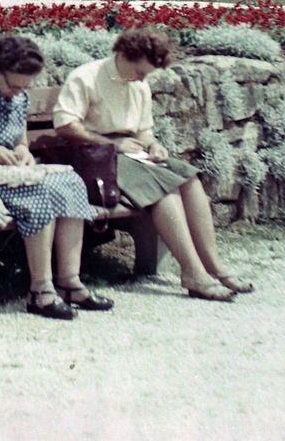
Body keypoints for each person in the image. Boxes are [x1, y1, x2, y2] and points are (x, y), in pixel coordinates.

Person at [53, 28, 254, 301]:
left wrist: (153, 144)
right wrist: (110, 143)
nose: (142, 79)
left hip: (131, 153)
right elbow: (65, 126)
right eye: (140, 72)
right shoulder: (87, 77)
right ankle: (192, 273)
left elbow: (143, 130)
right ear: (123, 55)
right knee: (164, 190)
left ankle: (214, 267)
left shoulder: (138, 84)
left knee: (189, 178)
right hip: (93, 157)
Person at [0, 35, 111, 320]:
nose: (16, 92)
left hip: (5, 172)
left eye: (23, 86)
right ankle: (40, 290)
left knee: (71, 183)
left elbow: (20, 142)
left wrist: (23, 153)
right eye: (12, 85)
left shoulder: (19, 95)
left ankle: (69, 282)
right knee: (37, 192)